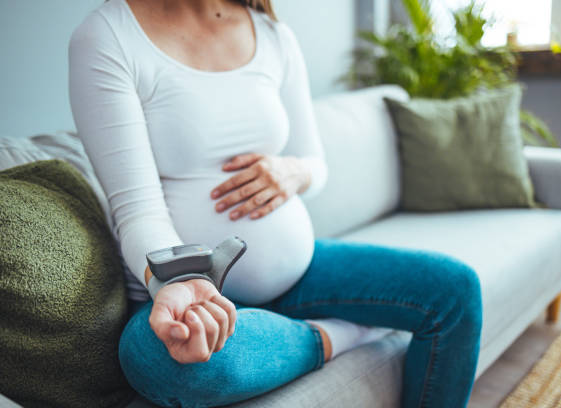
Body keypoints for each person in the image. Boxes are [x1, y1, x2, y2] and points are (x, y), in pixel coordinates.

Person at [68, 0, 483, 407]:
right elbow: (138, 212)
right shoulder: (110, 35)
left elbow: (315, 165)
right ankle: (336, 334)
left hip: (298, 273)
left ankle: (278, 332)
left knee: (455, 291)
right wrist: (180, 281)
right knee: (159, 361)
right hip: (189, 297)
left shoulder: (272, 34)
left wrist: (292, 172)